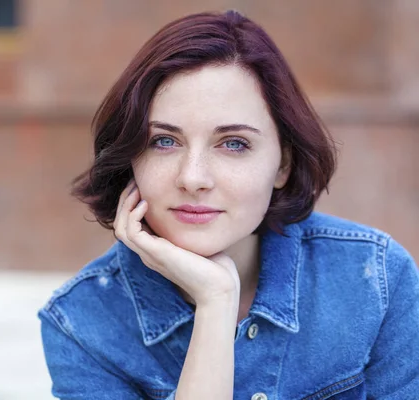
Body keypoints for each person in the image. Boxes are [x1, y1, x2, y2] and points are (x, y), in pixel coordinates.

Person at [37, 10, 419, 400]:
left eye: (234, 143)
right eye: (164, 141)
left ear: (282, 164)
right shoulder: (82, 324)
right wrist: (215, 302)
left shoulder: (376, 281)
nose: (193, 178)